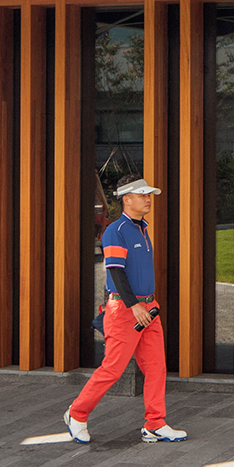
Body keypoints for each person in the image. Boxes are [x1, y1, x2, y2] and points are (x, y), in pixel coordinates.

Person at [64, 176, 184, 444]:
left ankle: (155, 424)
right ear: (126, 199)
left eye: (148, 195)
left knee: (156, 368)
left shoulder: (142, 229)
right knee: (113, 368)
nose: (148, 199)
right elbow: (115, 271)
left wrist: (144, 305)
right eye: (142, 195)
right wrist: (134, 305)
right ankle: (77, 413)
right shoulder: (115, 231)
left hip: (148, 308)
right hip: (125, 309)